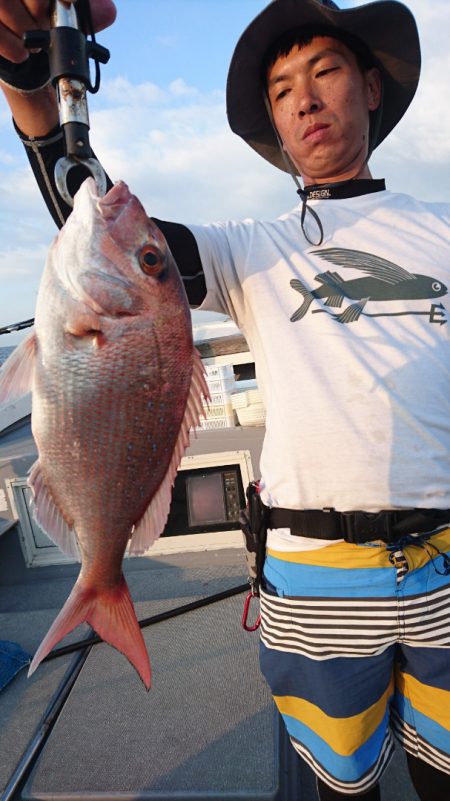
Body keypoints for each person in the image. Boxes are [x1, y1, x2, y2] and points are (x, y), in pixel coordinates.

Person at [1, 1, 449, 799]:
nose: (305, 98)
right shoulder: (249, 247)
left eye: (326, 71)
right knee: (341, 779)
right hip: (316, 574)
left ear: (372, 88)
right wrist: (31, 82)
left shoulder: (441, 229)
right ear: (275, 123)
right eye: (281, 90)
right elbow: (89, 209)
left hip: (446, 559)